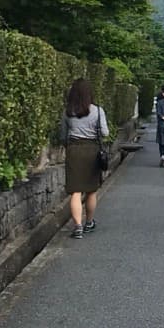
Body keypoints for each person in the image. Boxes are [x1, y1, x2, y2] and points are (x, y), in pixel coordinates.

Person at [59, 77, 109, 238]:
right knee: (91, 190)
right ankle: (89, 222)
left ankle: (78, 227)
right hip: (92, 151)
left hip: (74, 150)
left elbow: (62, 136)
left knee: (75, 190)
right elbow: (105, 133)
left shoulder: (68, 112)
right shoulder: (98, 111)